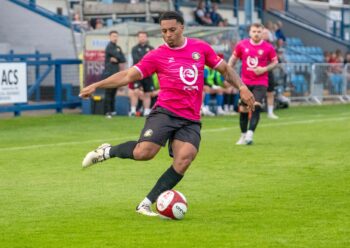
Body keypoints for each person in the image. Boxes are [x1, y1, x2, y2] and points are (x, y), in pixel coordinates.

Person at [79, 11, 255, 217]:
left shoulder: (200, 48)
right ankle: (106, 151)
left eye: (172, 30)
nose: (168, 35)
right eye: (163, 31)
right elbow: (127, 75)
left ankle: (146, 203)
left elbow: (225, 69)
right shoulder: (157, 55)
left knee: (185, 158)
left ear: (182, 27)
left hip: (190, 118)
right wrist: (96, 85)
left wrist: (242, 87)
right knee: (143, 153)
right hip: (165, 112)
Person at [229, 23, 278, 145]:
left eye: (259, 31)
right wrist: (228, 71)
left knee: (255, 105)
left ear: (263, 33)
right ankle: (243, 135)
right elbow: (233, 59)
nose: (256, 34)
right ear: (250, 32)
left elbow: (275, 62)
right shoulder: (242, 45)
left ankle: (250, 135)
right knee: (243, 109)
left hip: (260, 82)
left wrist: (264, 69)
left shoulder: (268, 47)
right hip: (244, 83)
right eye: (254, 31)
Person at [102, 30, 126, 118]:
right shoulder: (109, 47)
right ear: (110, 37)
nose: (115, 38)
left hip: (116, 73)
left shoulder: (118, 47)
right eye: (113, 36)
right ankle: (107, 112)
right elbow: (120, 56)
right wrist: (118, 57)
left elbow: (123, 59)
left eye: (116, 36)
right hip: (109, 73)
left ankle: (112, 110)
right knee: (108, 92)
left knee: (113, 92)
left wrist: (117, 58)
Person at [130, 31, 155, 116]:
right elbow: (136, 60)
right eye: (140, 36)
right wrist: (146, 59)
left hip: (148, 73)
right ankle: (133, 110)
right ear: (138, 38)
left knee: (147, 93)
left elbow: (153, 60)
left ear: (146, 37)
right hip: (138, 73)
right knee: (136, 91)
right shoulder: (134, 48)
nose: (142, 38)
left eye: (144, 36)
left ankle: (146, 111)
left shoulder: (151, 48)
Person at [262, 27, 279, 119]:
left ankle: (270, 112)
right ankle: (252, 112)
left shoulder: (270, 46)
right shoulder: (255, 45)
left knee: (270, 92)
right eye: (264, 33)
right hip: (258, 72)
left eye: (267, 33)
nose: (265, 35)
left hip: (268, 71)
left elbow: (274, 60)